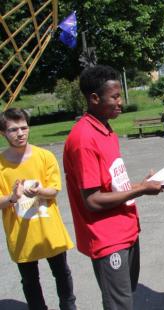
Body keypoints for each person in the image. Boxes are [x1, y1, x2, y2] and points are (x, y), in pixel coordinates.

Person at [63, 65, 164, 310]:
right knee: (119, 305)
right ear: (94, 98)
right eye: (115, 97)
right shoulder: (83, 139)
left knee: (127, 297)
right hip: (108, 238)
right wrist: (141, 189)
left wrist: (142, 182)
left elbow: (110, 184)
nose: (121, 102)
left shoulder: (106, 128)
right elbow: (93, 200)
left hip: (126, 229)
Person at [0, 108, 76, 310]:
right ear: (3, 133)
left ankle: (69, 306)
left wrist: (40, 191)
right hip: (21, 233)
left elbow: (54, 190)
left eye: (24, 128)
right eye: (13, 130)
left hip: (49, 229)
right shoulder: (1, 165)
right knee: (30, 280)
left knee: (62, 273)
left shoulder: (45, 156)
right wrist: (12, 198)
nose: (20, 133)